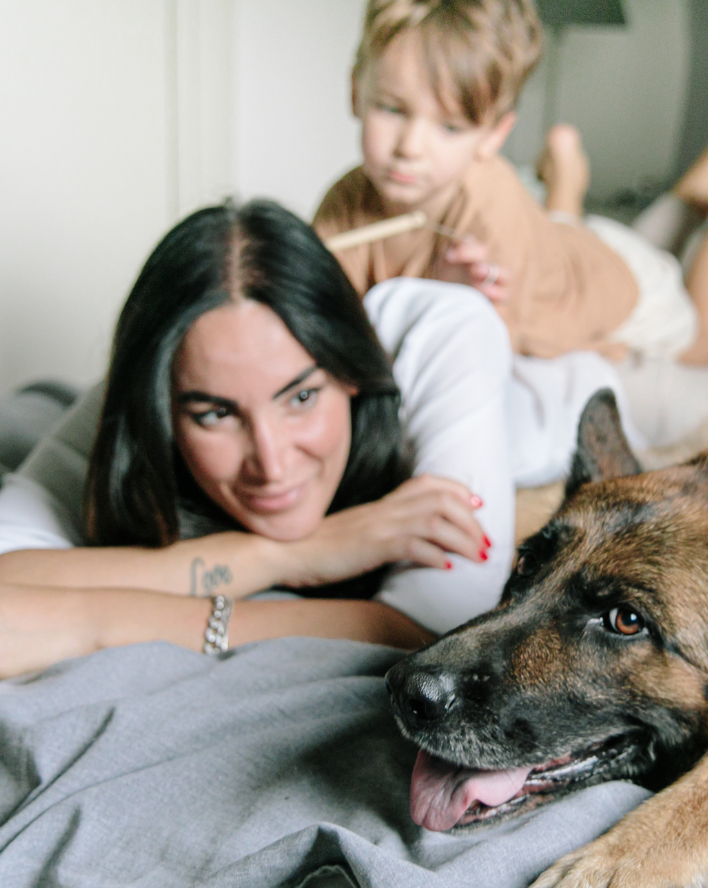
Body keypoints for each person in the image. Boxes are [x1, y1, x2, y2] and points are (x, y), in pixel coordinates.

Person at [0, 199, 626, 678]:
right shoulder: (163, 376)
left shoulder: (441, 334)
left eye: (301, 398)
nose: (271, 464)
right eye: (216, 414)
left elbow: (434, 625)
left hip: (584, 375)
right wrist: (288, 555)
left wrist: (115, 619)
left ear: (352, 372)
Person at [313, 0, 708, 387]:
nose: (409, 147)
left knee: (701, 345)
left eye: (450, 127)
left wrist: (598, 346)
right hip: (570, 246)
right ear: (355, 90)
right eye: (392, 109)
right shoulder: (346, 200)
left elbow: (487, 366)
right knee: (616, 236)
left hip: (619, 285)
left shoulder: (489, 206)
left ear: (494, 137)